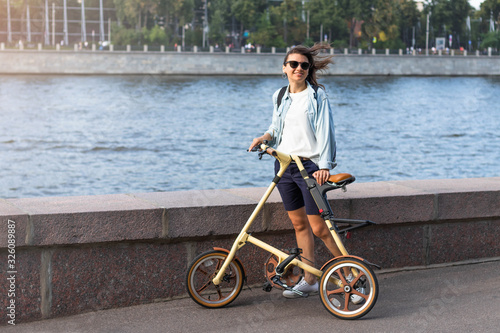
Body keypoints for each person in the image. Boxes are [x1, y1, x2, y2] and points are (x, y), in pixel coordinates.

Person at [248, 44, 349, 299]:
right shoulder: (280, 95)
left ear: (308, 69)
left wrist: (325, 165)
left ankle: (352, 278)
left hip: (310, 167)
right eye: (293, 64)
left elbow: (326, 131)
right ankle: (310, 280)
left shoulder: (317, 96)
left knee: (319, 228)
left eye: (304, 65)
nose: (299, 69)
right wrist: (265, 136)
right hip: (284, 165)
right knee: (298, 224)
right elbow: (276, 126)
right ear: (284, 68)